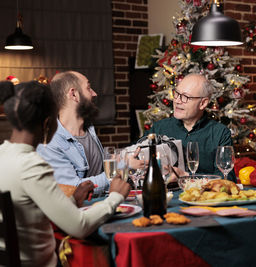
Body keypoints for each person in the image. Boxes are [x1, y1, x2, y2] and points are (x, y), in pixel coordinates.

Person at [0, 80, 130, 267]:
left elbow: (33, 206)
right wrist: (115, 196)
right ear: (47, 123)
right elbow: (80, 227)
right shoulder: (32, 166)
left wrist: (72, 199)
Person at [37, 71, 143, 194]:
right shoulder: (50, 142)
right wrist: (123, 167)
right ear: (74, 94)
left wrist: (119, 160)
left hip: (104, 203)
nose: (94, 93)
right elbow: (73, 189)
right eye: (88, 88)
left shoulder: (89, 129)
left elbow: (99, 171)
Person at [145, 73, 236, 181]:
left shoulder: (220, 133)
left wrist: (187, 177)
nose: (177, 101)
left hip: (203, 197)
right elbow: (136, 156)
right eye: (176, 94)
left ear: (203, 103)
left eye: (185, 97)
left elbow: (227, 178)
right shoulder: (159, 128)